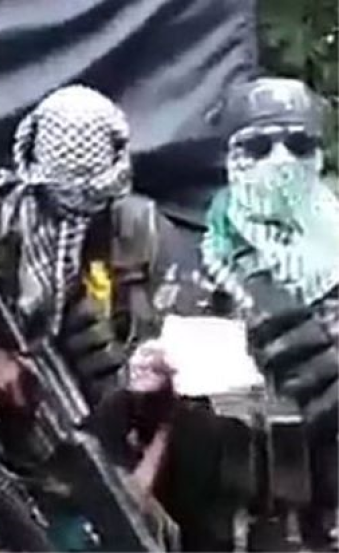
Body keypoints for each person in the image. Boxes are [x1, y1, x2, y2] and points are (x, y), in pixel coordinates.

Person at [0, 85, 178, 550]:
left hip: (124, 468)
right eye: (59, 197)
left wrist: (141, 483)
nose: (72, 215)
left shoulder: (141, 234)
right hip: (19, 473)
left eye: (88, 196)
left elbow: (181, 389)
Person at [142, 77, 338, 551]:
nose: (281, 161)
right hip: (224, 520)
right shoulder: (187, 259)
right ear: (230, 157)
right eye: (258, 146)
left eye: (298, 145)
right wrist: (148, 380)